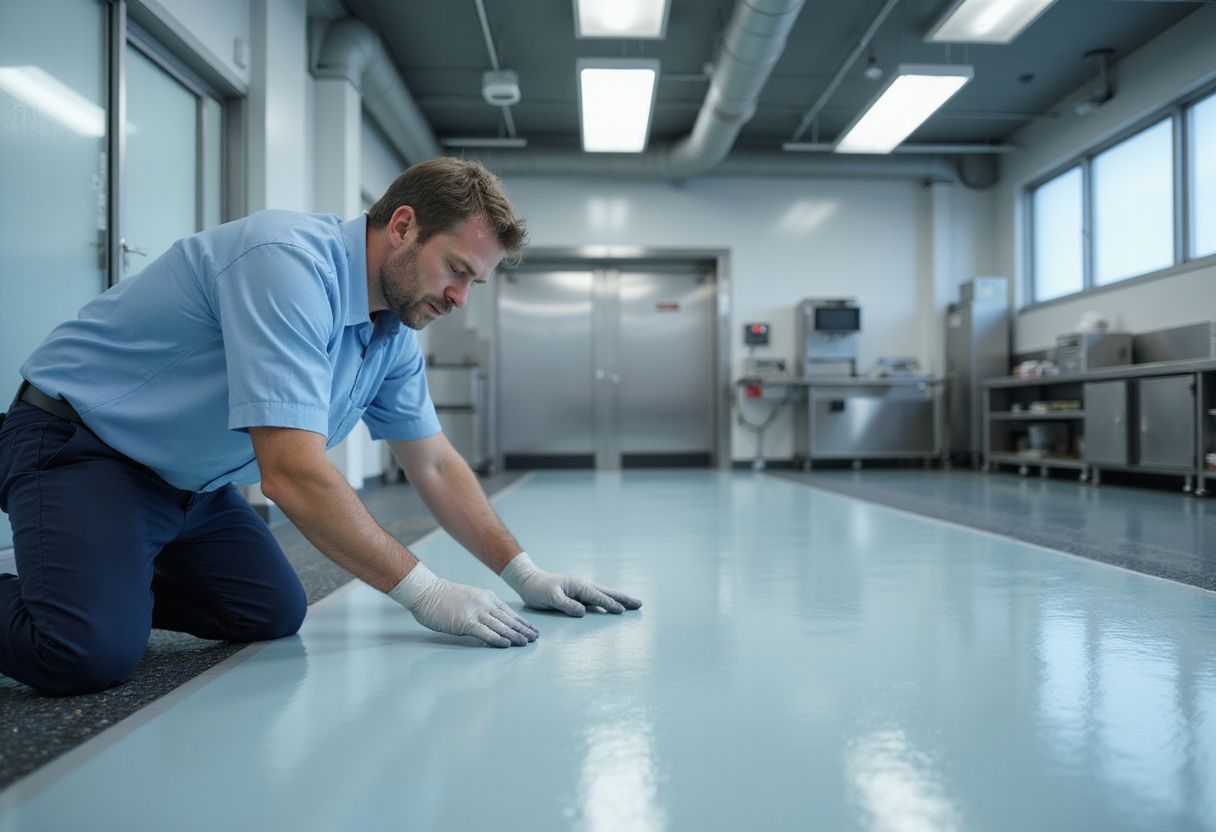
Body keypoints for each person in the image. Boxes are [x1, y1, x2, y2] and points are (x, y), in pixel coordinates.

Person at [0, 157, 641, 697]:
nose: (458, 298)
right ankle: (90, 595)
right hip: (81, 445)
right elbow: (290, 473)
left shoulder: (391, 331)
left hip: (184, 484)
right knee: (85, 653)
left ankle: (97, 579)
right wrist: (427, 592)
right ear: (403, 225)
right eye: (455, 270)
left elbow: (435, 463)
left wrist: (526, 575)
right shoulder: (285, 264)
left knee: (269, 610)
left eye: (474, 282)